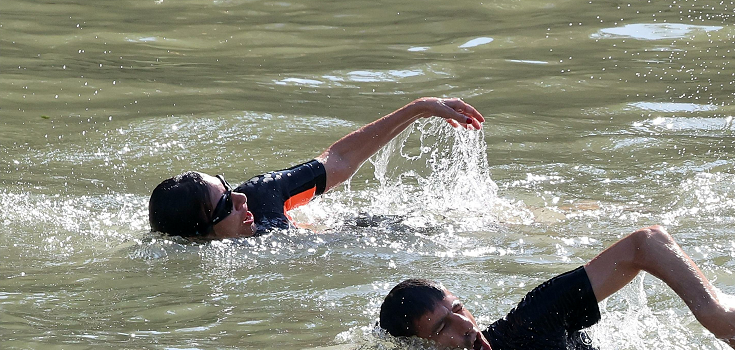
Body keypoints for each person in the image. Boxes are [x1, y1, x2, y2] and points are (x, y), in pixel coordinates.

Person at [379, 226, 735, 350]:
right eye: (442, 328)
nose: (466, 325)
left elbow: (645, 244)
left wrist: (714, 312)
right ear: (418, 348)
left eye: (458, 309)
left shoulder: (529, 322)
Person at [148, 97, 485, 239]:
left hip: (365, 229)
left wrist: (420, 108)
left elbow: (338, 160)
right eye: (226, 205)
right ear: (197, 234)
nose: (240, 201)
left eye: (228, 188)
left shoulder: (260, 195)